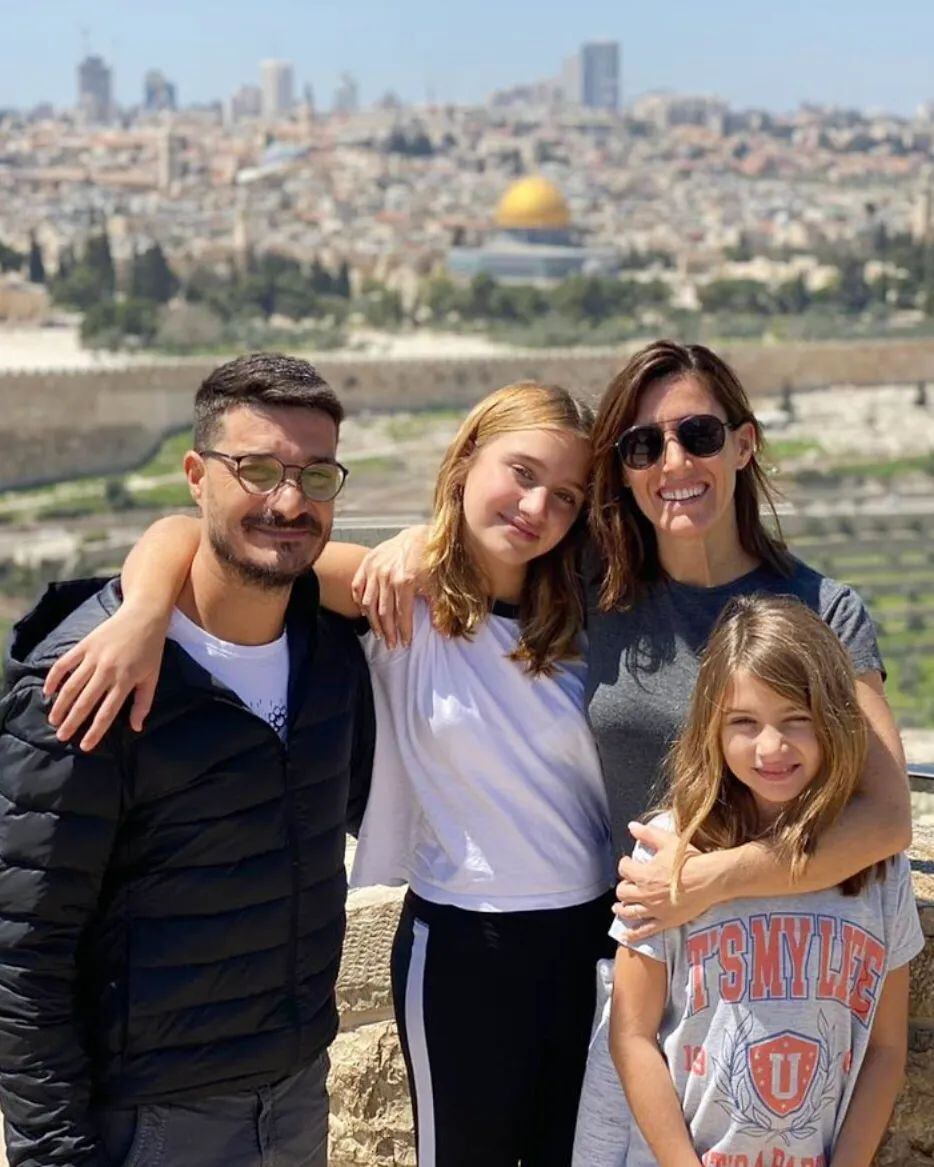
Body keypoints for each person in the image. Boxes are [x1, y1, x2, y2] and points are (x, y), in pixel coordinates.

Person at [42, 381, 617, 1167]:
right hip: (465, 946)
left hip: (595, 938)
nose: (537, 505)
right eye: (521, 471)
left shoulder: (594, 609)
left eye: (565, 494)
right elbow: (194, 533)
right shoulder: (398, 593)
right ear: (467, 459)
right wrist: (142, 610)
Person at [0, 353, 375, 1167]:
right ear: (197, 475)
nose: (288, 500)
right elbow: (26, 946)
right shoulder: (89, 675)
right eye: (259, 469)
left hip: (296, 1097)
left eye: (316, 477)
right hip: (152, 1124)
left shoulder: (331, 657)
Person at [609, 594, 923, 1166]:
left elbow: (884, 1047)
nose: (772, 747)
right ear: (712, 726)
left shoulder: (875, 865)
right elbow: (631, 1032)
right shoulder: (671, 849)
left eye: (797, 721)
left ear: (835, 722)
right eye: (745, 723)